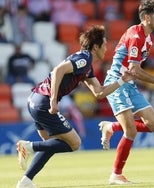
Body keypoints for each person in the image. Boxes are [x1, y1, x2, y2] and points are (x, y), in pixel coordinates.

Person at [16, 25, 133, 188]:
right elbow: (58, 70)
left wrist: (122, 80)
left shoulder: (87, 67)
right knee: (75, 143)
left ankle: (25, 181)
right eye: (104, 45)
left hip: (34, 100)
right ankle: (27, 146)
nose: (106, 49)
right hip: (44, 101)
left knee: (52, 144)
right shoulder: (84, 58)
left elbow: (99, 93)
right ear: (96, 46)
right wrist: (53, 100)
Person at [98, 0, 154, 185]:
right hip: (116, 83)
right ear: (147, 17)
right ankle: (116, 174)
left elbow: (133, 71)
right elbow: (134, 70)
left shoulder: (148, 38)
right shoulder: (136, 36)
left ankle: (111, 127)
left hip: (129, 84)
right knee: (131, 131)